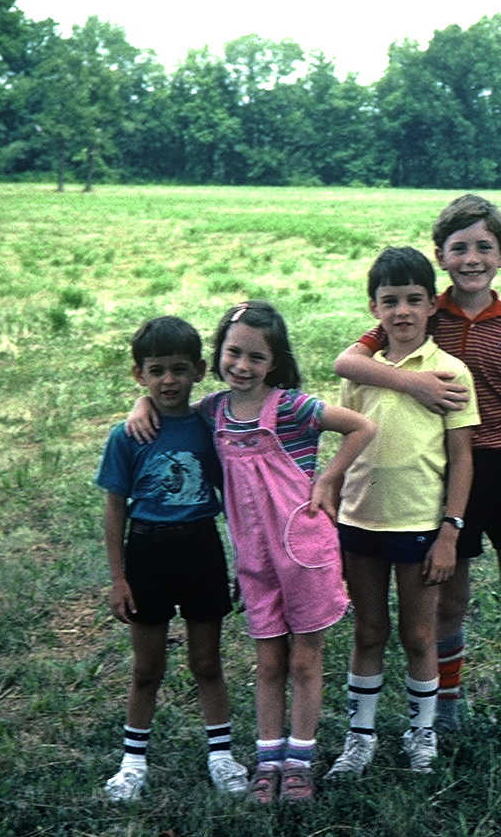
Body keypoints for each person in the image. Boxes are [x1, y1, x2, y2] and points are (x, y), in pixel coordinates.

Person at [333, 195, 501, 764]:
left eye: (484, 247)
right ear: (441, 256)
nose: (472, 258)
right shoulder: (419, 309)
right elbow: (347, 363)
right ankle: (442, 716)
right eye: (459, 248)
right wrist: (413, 384)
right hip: (440, 477)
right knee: (447, 602)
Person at [127, 301, 376, 804]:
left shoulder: (292, 408)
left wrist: (329, 479)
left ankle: (299, 762)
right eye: (233, 353)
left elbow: (362, 427)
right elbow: (170, 410)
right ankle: (268, 760)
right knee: (267, 663)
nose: (242, 366)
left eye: (256, 357)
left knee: (304, 661)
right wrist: (141, 404)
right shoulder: (214, 411)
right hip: (255, 561)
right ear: (218, 353)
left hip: (304, 553)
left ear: (274, 363)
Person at [326, 246, 480, 778]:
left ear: (432, 304)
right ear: (374, 308)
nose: (403, 311)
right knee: (368, 632)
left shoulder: (450, 371)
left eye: (414, 299)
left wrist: (450, 532)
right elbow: (347, 441)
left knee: (419, 635)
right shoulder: (361, 373)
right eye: (390, 301)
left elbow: (462, 459)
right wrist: (333, 502)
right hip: (359, 520)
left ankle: (421, 734)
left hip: (419, 525)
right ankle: (360, 738)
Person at [95, 316, 249, 801]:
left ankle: (221, 756)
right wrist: (118, 578)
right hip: (147, 554)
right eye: (156, 370)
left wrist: (244, 563)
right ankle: (132, 763)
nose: (168, 381)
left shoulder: (211, 429)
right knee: (147, 668)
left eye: (179, 369)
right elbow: (115, 510)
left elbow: (234, 500)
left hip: (201, 549)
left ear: (200, 370)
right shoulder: (128, 435)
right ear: (139, 374)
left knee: (207, 661)